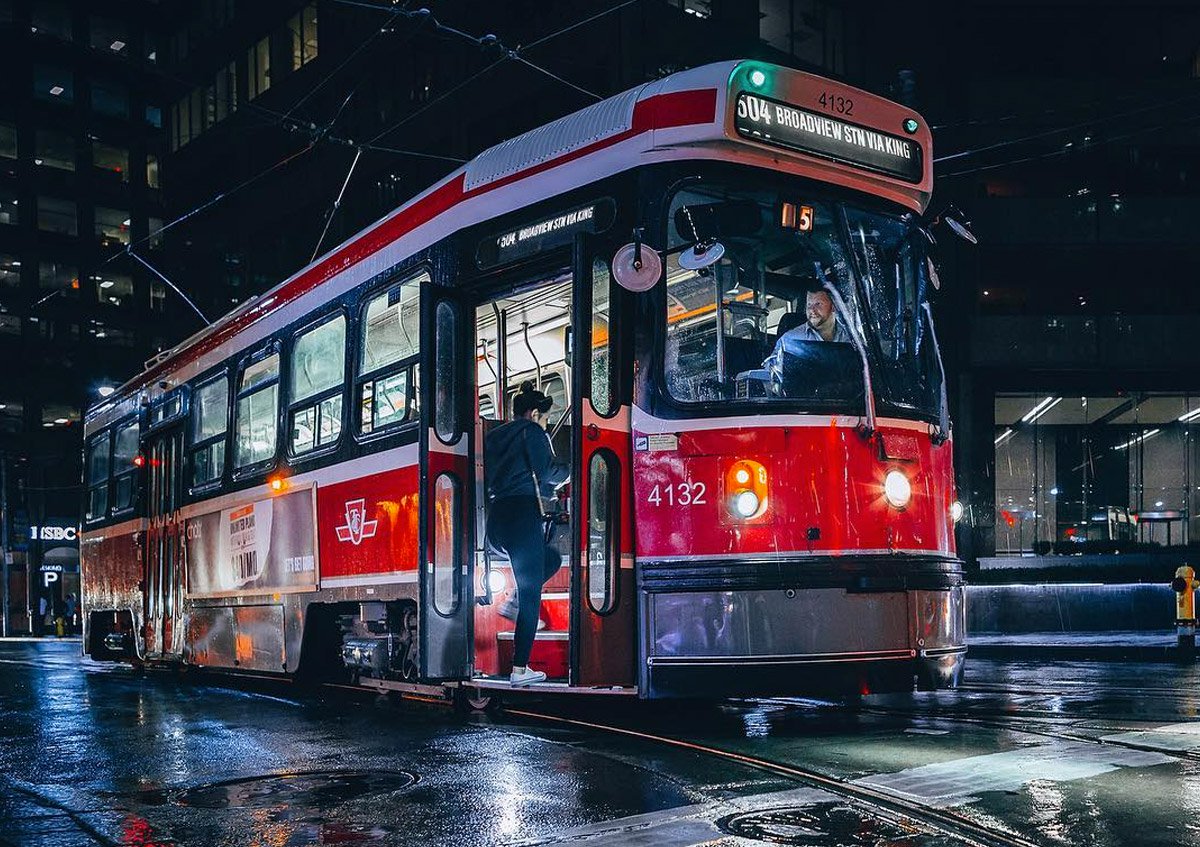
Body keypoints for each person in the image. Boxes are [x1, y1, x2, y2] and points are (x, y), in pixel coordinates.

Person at [484, 381, 569, 687]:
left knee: (550, 560)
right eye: (544, 419)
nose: (544, 424)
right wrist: (571, 470)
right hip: (521, 515)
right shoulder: (531, 431)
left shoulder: (494, 436)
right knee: (533, 593)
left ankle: (514, 600)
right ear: (534, 414)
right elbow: (546, 473)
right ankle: (520, 669)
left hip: (497, 519)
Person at [761, 288, 851, 373]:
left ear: (833, 306)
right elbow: (771, 375)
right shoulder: (790, 340)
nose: (812, 310)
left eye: (818, 304)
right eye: (809, 304)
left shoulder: (852, 337)